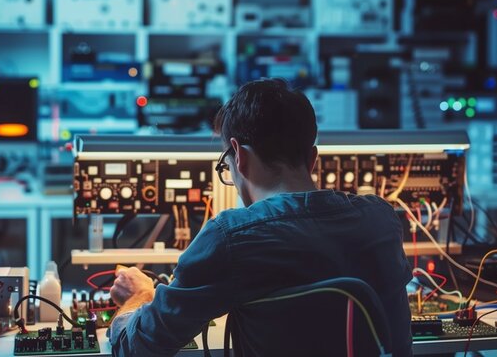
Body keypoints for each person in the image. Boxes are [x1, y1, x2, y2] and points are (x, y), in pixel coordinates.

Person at [108, 78, 412, 356]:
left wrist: (138, 298)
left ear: (238, 156)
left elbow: (136, 349)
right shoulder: (381, 219)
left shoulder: (229, 239)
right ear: (312, 158)